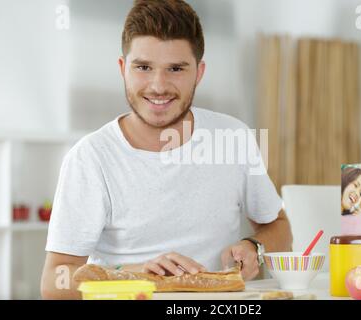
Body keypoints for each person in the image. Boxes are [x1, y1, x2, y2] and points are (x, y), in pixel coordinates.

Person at [40, 0, 292, 299]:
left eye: (175, 68)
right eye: (143, 67)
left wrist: (255, 248)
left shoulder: (233, 137)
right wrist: (133, 274)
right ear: (123, 69)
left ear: (199, 73)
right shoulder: (90, 158)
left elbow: (279, 227)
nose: (158, 86)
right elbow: (54, 283)